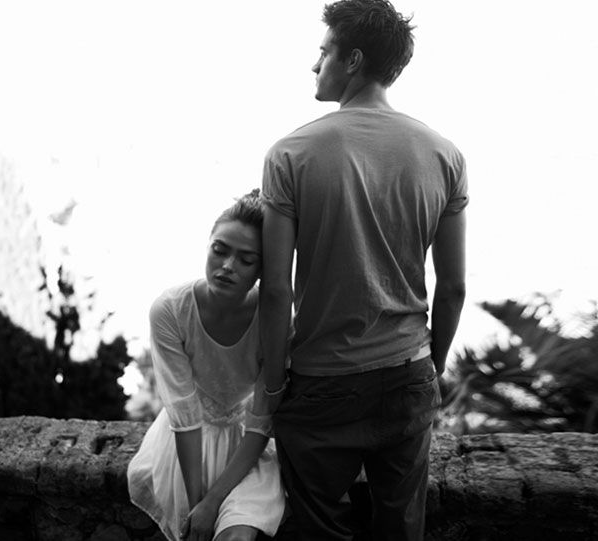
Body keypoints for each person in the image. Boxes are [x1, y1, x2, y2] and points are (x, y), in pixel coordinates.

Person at [259, 1, 468, 539]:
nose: (314, 64)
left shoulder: (290, 154)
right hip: (407, 373)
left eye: (323, 51)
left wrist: (273, 384)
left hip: (322, 381)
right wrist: (431, 369)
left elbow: (277, 290)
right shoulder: (444, 155)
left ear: (352, 60)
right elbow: (453, 288)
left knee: (318, 529)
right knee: (401, 530)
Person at [127, 189, 285, 541]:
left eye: (246, 260)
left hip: (247, 449)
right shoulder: (171, 310)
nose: (227, 265)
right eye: (219, 250)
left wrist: (212, 503)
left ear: (262, 269)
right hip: (184, 450)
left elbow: (261, 420)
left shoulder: (274, 320)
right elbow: (184, 413)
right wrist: (197, 502)